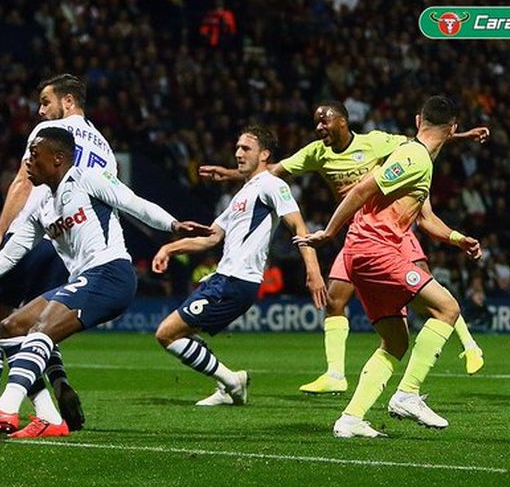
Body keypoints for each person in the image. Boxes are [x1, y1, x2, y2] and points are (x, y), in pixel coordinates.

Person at [0, 127, 212, 437]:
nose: (27, 161)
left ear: (57, 158)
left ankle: (5, 407)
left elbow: (133, 203)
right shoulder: (40, 204)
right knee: (12, 327)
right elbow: (7, 257)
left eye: (34, 154)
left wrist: (173, 224)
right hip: (86, 279)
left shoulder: (88, 178)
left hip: (111, 274)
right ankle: (49, 418)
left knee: (41, 329)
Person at [200, 101, 487, 395]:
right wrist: (231, 174)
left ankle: (468, 344)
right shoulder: (316, 153)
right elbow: (271, 171)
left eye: (325, 121)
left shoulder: (375, 141)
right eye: (317, 122)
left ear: (343, 121)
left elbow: (423, 140)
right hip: (359, 235)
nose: (320, 126)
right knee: (335, 298)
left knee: (428, 291)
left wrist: (460, 136)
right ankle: (336, 374)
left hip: (391, 231)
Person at [296, 96, 471, 437]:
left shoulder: (420, 161)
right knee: (447, 308)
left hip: (366, 254)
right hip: (375, 250)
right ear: (453, 129)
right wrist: (330, 232)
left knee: (395, 342)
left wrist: (457, 239)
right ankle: (406, 394)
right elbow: (363, 188)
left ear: (418, 119)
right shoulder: (413, 156)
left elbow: (427, 218)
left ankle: (351, 419)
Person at [0, 74, 115, 432]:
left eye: (45, 102)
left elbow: (22, 182)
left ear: (67, 102)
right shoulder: (106, 149)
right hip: (71, 248)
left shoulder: (47, 136)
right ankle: (56, 382)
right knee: (37, 324)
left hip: (35, 235)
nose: (40, 110)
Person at [152, 125, 327, 406]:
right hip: (222, 279)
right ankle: (228, 383)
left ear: (264, 155)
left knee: (167, 333)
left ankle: (231, 381)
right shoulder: (242, 195)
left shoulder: (272, 184)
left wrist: (313, 269)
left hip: (237, 282)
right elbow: (211, 238)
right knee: (175, 334)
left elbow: (298, 224)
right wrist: (169, 248)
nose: (238, 153)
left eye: (246, 148)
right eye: (237, 148)